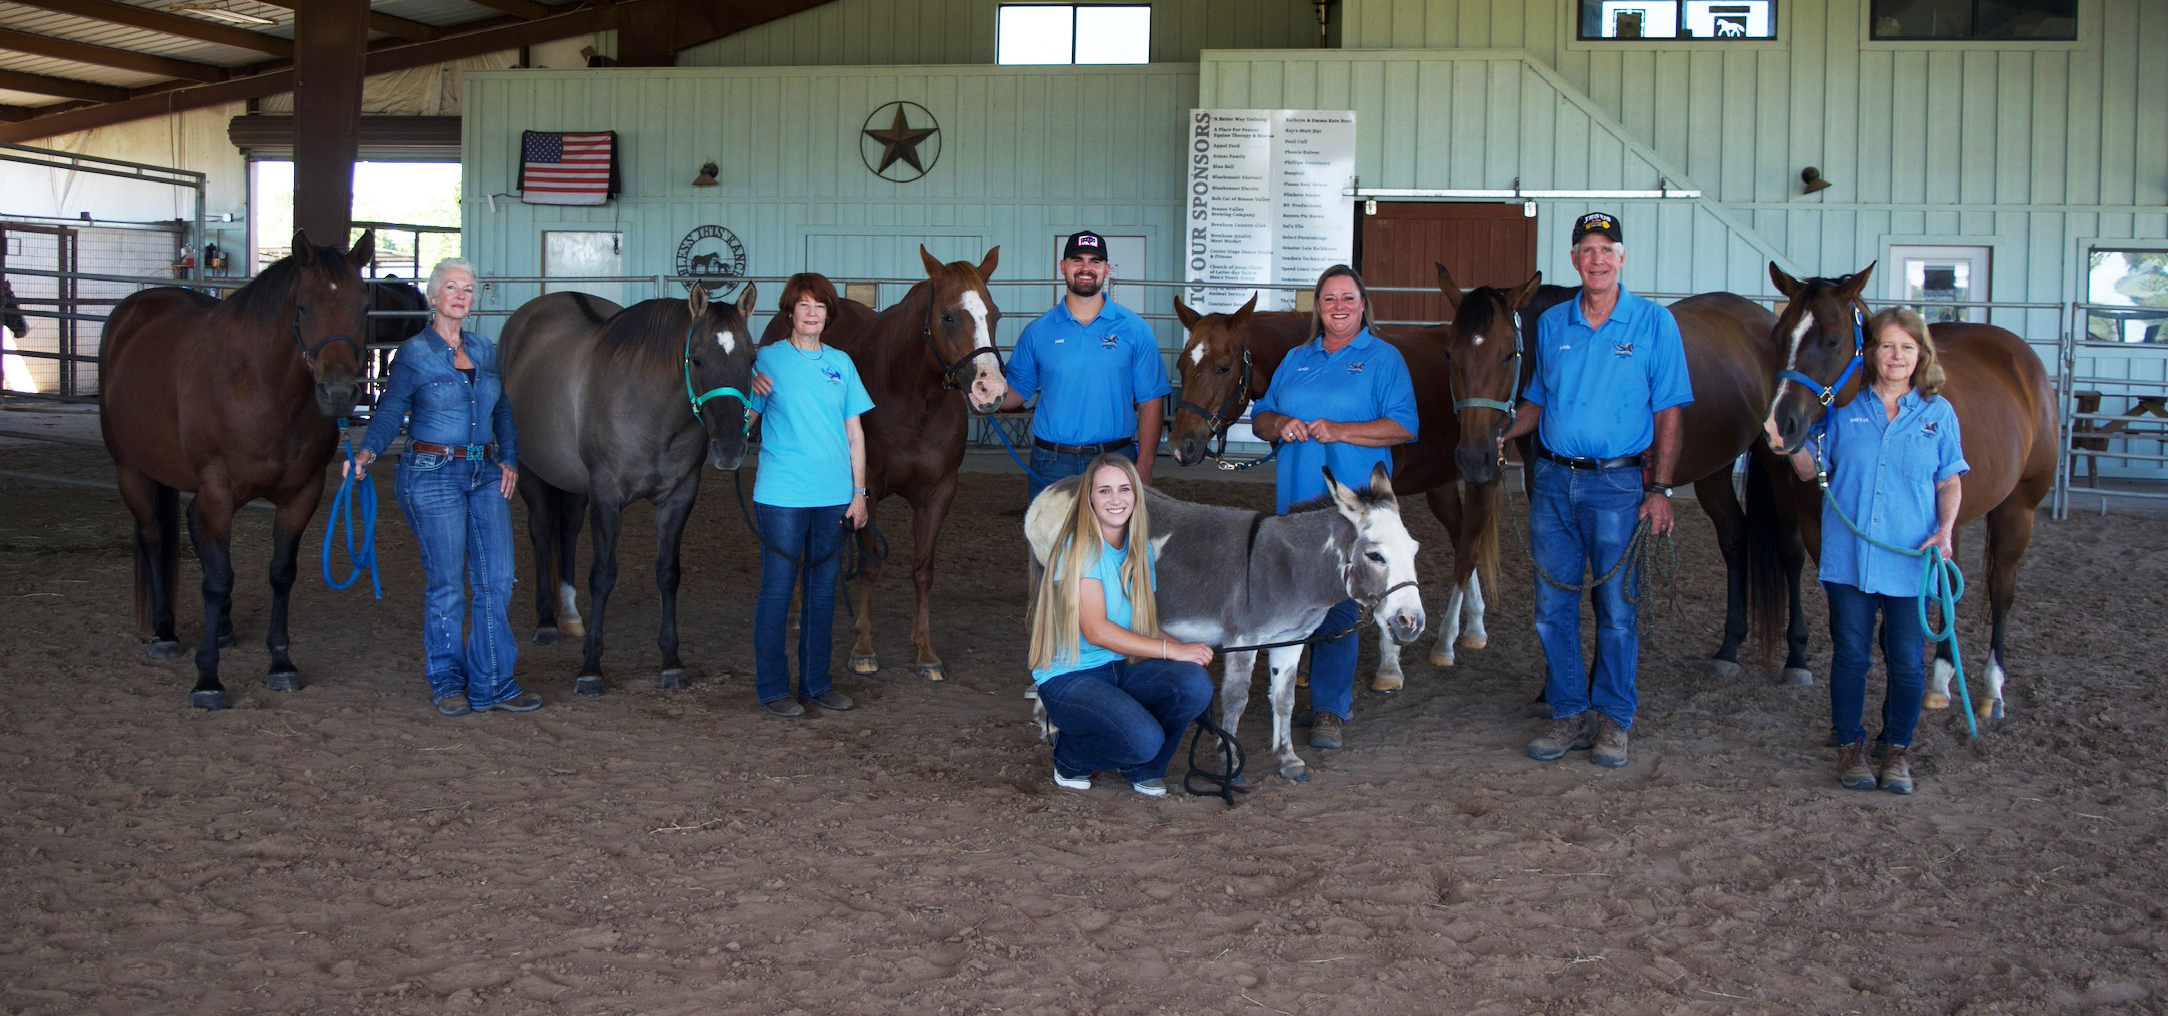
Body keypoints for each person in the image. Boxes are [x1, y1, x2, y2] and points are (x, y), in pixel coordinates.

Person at [1500, 212, 1692, 768]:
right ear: (1575, 260)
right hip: (1555, 481)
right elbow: (1537, 402)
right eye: (1587, 249)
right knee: (1550, 606)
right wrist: (1502, 428)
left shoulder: (1654, 323)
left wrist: (1660, 489)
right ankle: (1567, 711)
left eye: (1607, 249)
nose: (1597, 259)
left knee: (1617, 608)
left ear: (1622, 257)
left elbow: (1669, 412)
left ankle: (1613, 718)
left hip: (1618, 483)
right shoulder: (1554, 324)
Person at [1773, 307, 1965, 795]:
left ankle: (1896, 749)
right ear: (1871, 352)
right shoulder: (1843, 408)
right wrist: (1785, 440)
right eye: (1886, 346)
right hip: (1850, 557)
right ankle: (1850, 747)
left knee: (1905, 661)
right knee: (1851, 655)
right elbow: (1806, 470)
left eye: (1907, 347)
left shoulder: (1938, 413)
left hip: (1909, 558)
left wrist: (1945, 531)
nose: (1896, 356)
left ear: (1921, 353)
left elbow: (1949, 479)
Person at [347, 258, 539, 716]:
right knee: (448, 582)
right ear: (433, 297)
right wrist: (367, 451)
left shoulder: (485, 350)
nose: (460, 295)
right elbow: (392, 410)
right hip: (431, 473)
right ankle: (448, 680)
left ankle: (493, 681)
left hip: (485, 473)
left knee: (497, 580)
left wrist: (509, 456)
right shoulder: (413, 353)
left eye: (468, 289)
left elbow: (504, 411)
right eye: (451, 287)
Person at [1247, 265, 1418, 751]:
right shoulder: (1296, 358)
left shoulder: (1384, 359)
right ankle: (1283, 701)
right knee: (1293, 603)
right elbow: (1260, 419)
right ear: (1317, 308)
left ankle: (1328, 710)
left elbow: (1404, 426)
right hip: (1296, 508)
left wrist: (1341, 429)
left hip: (1355, 511)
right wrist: (1281, 422)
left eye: (1348, 298)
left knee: (1341, 607)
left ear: (1363, 304)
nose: (1338, 307)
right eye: (1328, 299)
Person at [1029, 453, 1215, 796]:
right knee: (1145, 738)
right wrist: (1172, 650)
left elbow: (1141, 624)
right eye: (1104, 491)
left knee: (1195, 683)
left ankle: (1144, 767)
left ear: (1136, 495)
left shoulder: (1139, 549)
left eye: (1124, 489)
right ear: (1089, 498)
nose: (1116, 499)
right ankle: (1070, 755)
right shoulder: (1079, 548)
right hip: (1071, 677)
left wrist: (1187, 651)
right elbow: (1097, 630)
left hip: (1120, 669)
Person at [747, 273, 874, 719]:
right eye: (804, 305)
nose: (812, 312)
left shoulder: (842, 363)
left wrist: (858, 494)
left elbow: (855, 433)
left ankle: (817, 683)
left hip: (833, 496)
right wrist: (747, 387)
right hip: (782, 494)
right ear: (789, 312)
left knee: (823, 592)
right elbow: (743, 421)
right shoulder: (765, 359)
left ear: (828, 314)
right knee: (778, 590)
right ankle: (773, 688)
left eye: (819, 306)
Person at [998, 230, 1172, 499]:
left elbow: (1151, 400)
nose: (1086, 268)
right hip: (1052, 462)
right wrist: (979, 392)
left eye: (1095, 261)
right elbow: (1016, 393)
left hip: (1116, 459)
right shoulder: (1037, 331)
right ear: (1063, 266)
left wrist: (1145, 464)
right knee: (1052, 541)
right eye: (1077, 260)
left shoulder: (1135, 329)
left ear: (1106, 269)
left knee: (1114, 540)